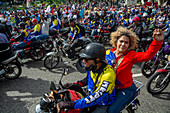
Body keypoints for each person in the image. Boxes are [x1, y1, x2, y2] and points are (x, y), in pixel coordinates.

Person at [106, 26, 163, 113]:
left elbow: (147, 55)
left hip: (126, 89)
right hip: (109, 87)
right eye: (121, 41)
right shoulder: (108, 53)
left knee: (111, 111)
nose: (123, 44)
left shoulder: (131, 55)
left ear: (129, 45)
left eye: (126, 42)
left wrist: (157, 41)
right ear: (116, 41)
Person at [57, 43, 116, 113]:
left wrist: (72, 104)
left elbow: (97, 96)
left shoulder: (108, 75)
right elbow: (87, 80)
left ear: (97, 60)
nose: (83, 61)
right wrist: (72, 85)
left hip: (101, 102)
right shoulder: (92, 67)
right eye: (83, 58)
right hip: (90, 93)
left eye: (86, 59)